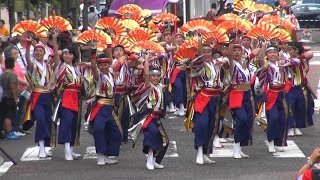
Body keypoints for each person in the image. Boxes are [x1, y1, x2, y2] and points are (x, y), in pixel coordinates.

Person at [131, 52, 169, 170]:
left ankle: (155, 160)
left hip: (157, 117)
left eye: (157, 76)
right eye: (153, 76)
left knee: (165, 141)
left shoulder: (159, 87)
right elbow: (146, 75)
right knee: (151, 133)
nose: (155, 78)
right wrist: (146, 60)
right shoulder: (148, 87)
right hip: (148, 116)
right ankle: (149, 158)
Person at [25, 33, 59, 158]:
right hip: (37, 96)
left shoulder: (48, 66)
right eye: (36, 51)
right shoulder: (33, 66)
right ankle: (40, 146)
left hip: (48, 96)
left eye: (41, 51)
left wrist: (54, 40)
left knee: (48, 120)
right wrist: (28, 45)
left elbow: (57, 59)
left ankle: (45, 145)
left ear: (44, 53)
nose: (38, 53)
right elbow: (27, 59)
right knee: (40, 120)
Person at [88, 53, 122, 166]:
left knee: (116, 132)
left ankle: (107, 154)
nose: (104, 67)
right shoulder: (98, 76)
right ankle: (100, 155)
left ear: (109, 65)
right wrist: (93, 52)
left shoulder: (112, 76)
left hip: (110, 108)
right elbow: (93, 68)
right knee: (99, 130)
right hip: (100, 107)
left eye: (106, 65)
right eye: (101, 65)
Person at [257, 45, 288, 153]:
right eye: (270, 53)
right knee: (273, 118)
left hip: (281, 94)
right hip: (271, 95)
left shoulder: (282, 65)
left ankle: (278, 142)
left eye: (274, 52)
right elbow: (260, 60)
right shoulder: (266, 66)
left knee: (282, 119)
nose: (272, 54)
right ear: (267, 55)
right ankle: (270, 141)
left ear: (278, 54)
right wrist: (263, 46)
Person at [0, 57, 19, 140]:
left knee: (4, 114)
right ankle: (9, 132)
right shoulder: (12, 74)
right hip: (9, 96)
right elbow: (13, 86)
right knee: (9, 115)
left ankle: (6, 131)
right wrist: (15, 98)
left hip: (3, 95)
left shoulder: (3, 74)